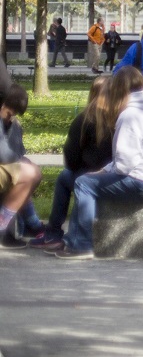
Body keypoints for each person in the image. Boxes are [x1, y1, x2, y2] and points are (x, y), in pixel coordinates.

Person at [55, 66, 143, 260]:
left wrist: (108, 172)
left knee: (83, 183)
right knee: (88, 179)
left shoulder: (130, 115)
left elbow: (125, 163)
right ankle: (72, 240)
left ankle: (82, 244)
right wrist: (105, 169)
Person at [28, 75, 116, 250]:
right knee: (74, 179)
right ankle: (61, 235)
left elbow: (71, 155)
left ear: (92, 94)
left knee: (65, 177)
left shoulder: (84, 120)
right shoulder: (117, 118)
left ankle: (53, 233)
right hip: (113, 174)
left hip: (89, 174)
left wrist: (79, 167)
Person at [0, 84, 42, 243]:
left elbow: (19, 151)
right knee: (28, 173)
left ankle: (31, 224)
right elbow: (3, 154)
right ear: (3, 104)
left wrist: (12, 126)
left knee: (34, 172)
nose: (11, 117)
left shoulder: (10, 123)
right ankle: (3, 227)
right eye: (10, 113)